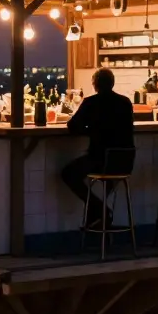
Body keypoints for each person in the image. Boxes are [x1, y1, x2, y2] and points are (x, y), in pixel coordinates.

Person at [60, 68, 135, 228]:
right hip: (125, 161)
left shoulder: (91, 102)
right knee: (90, 171)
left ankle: (100, 210)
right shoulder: (125, 102)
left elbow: (73, 126)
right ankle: (96, 216)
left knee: (68, 174)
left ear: (95, 85)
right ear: (112, 83)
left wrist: (89, 130)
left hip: (101, 160)